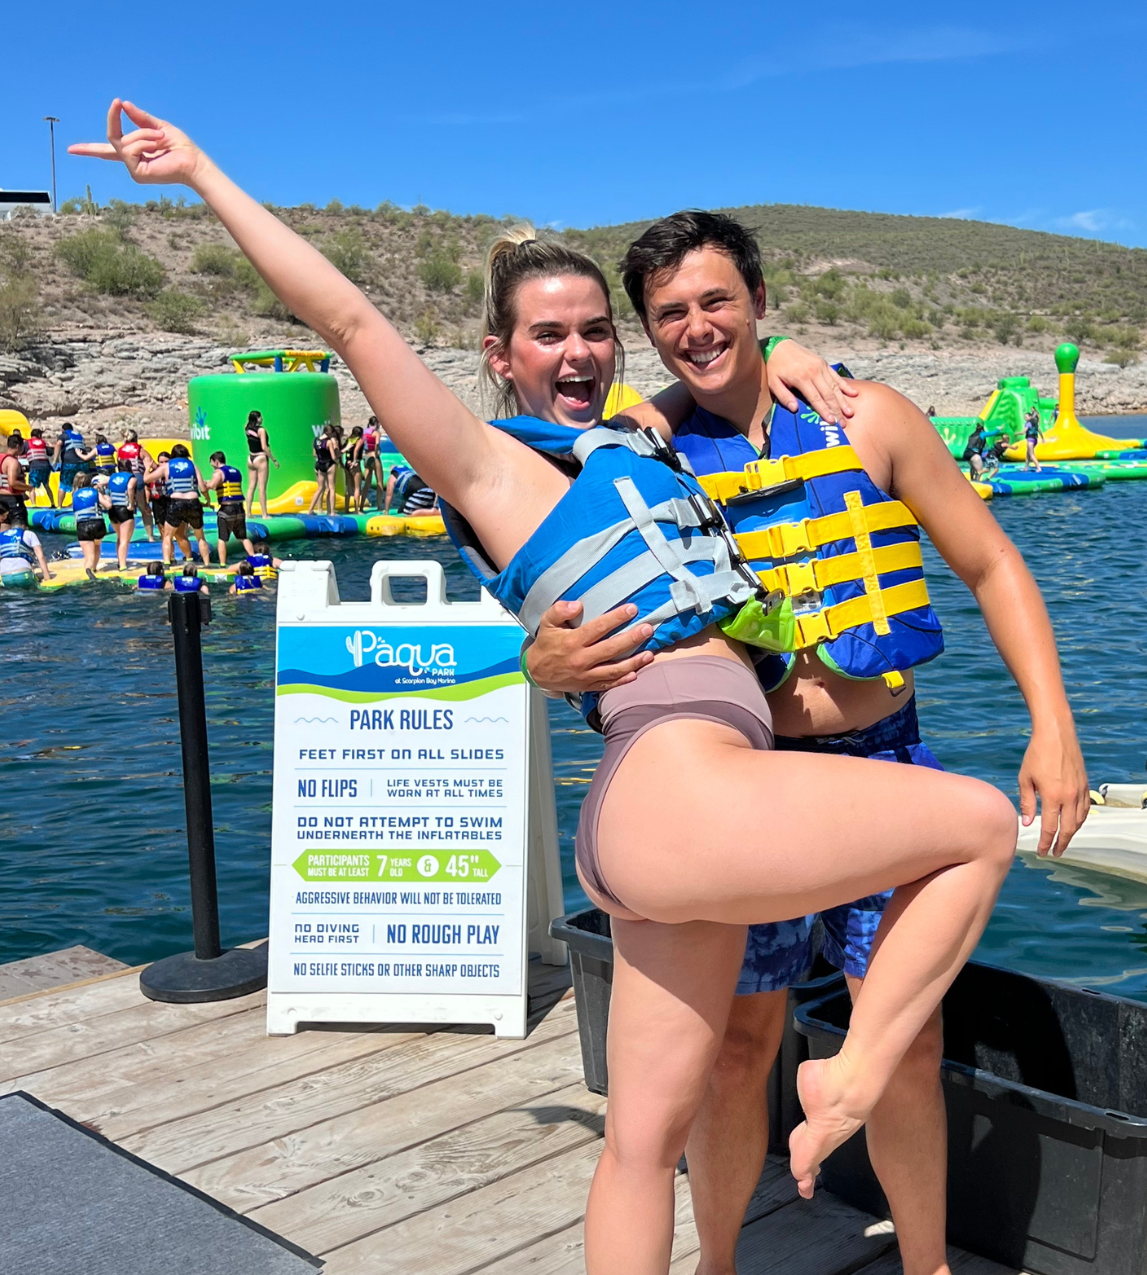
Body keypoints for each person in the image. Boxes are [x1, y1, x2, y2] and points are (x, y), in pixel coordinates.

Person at [73, 103, 1032, 1272]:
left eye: (593, 333)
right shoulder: (496, 469)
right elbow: (347, 319)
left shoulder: (638, 449)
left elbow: (722, 378)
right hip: (690, 795)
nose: (576, 354)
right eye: (545, 336)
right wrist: (204, 175)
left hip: (658, 814)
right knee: (980, 826)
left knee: (637, 1143)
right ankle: (852, 1072)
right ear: (497, 357)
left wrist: (785, 351)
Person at [528, 211, 1087, 1275]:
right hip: (750, 786)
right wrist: (536, 662)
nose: (697, 328)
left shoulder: (867, 417)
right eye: (670, 315)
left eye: (717, 302)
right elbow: (552, 582)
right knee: (740, 1050)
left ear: (761, 300)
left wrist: (1053, 725)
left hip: (883, 761)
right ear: (649, 334)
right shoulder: (640, 457)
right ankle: (721, 1262)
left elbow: (994, 565)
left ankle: (923, 1267)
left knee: (908, 1046)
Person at [146, 443, 212, 568]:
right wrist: (208, 500)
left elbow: (147, 479)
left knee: (167, 536)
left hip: (176, 502)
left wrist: (146, 469)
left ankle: (166, 564)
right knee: (200, 537)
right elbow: (203, 488)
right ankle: (207, 565)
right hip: (193, 502)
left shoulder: (167, 467)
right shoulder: (193, 466)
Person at [207, 450, 258, 565]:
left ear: (216, 462)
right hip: (239, 509)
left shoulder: (218, 473)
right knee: (243, 537)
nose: (213, 467)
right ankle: (254, 559)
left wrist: (205, 484)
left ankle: (223, 564)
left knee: (222, 539)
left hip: (227, 509)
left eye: (212, 464)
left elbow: (213, 485)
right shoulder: (236, 471)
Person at [0, 507, 53, 586]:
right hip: (23, 576)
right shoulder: (29, 534)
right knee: (35, 580)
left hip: (6, 578)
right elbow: (41, 557)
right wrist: (47, 578)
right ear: (23, 526)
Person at [102, 461, 139, 572]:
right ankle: (122, 565)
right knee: (124, 540)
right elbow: (130, 488)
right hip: (124, 510)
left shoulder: (112, 477)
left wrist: (104, 495)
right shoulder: (132, 478)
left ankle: (120, 561)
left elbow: (99, 484)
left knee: (119, 537)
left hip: (113, 510)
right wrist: (131, 504)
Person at [70, 474, 108, 578]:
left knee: (89, 557)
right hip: (98, 524)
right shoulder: (95, 492)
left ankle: (88, 570)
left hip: (83, 526)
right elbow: (107, 505)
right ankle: (94, 568)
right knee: (96, 545)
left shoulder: (74, 494)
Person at [117, 429, 154, 533]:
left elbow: (119, 466)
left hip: (123, 480)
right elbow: (152, 465)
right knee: (145, 509)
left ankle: (124, 536)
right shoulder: (140, 451)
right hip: (138, 478)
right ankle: (150, 537)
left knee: (126, 509)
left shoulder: (120, 451)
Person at [244, 409, 277, 515]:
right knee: (262, 488)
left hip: (251, 458)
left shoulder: (247, 429)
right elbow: (264, 447)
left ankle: (248, 513)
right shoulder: (261, 430)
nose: (262, 418)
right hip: (260, 458)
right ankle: (264, 514)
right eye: (260, 416)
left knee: (251, 486)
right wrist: (273, 459)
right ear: (257, 419)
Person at [0, 436, 31, 522]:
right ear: (17, 446)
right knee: (21, 527)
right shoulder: (12, 462)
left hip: (0, 498)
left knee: (3, 527)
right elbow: (12, 483)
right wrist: (28, 488)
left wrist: (23, 494)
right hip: (12, 500)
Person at [307, 422, 340, 513]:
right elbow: (333, 457)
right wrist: (337, 451)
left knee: (320, 488)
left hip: (320, 464)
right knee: (332, 488)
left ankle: (310, 510)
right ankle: (332, 512)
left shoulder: (316, 440)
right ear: (330, 433)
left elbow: (314, 454)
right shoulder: (328, 442)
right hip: (329, 464)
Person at [145, 449, 172, 539]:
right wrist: (147, 503)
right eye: (161, 462)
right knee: (159, 522)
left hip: (171, 499)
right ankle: (164, 538)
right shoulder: (154, 473)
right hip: (157, 499)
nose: (163, 464)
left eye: (166, 461)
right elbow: (147, 487)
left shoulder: (173, 471)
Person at [359, 416, 385, 511]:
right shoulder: (376, 433)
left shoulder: (364, 433)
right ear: (377, 424)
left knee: (366, 484)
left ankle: (361, 506)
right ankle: (379, 506)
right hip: (374, 457)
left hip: (366, 458)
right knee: (379, 482)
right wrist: (377, 453)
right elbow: (377, 444)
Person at [25, 428, 55, 506]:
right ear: (39, 435)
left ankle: (34, 504)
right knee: (46, 485)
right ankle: (52, 503)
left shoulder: (27, 443)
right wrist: (52, 447)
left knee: (31, 486)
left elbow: (22, 451)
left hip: (35, 466)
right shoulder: (43, 443)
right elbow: (50, 453)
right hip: (46, 466)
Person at [57, 422, 86, 503]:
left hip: (69, 464)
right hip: (82, 463)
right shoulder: (79, 435)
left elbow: (59, 444)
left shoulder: (64, 435)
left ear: (63, 430)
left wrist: (55, 459)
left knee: (63, 484)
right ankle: (77, 504)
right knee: (78, 484)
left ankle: (59, 507)